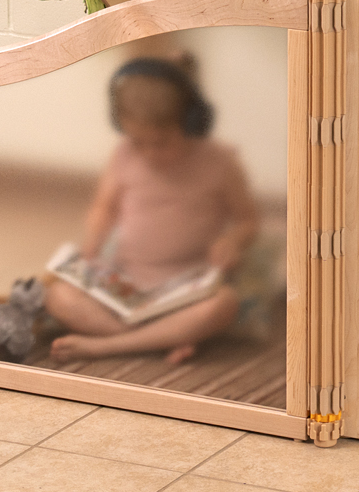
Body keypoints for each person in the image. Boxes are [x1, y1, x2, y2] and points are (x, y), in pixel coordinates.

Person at [46, 58, 259, 365]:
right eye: (138, 142)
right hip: (127, 279)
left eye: (161, 143)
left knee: (224, 304)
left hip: (188, 286)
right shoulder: (123, 155)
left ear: (190, 122)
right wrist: (94, 238)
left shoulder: (221, 162)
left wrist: (233, 241)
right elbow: (104, 207)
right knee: (58, 295)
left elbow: (247, 220)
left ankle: (106, 346)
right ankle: (158, 340)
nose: (148, 153)